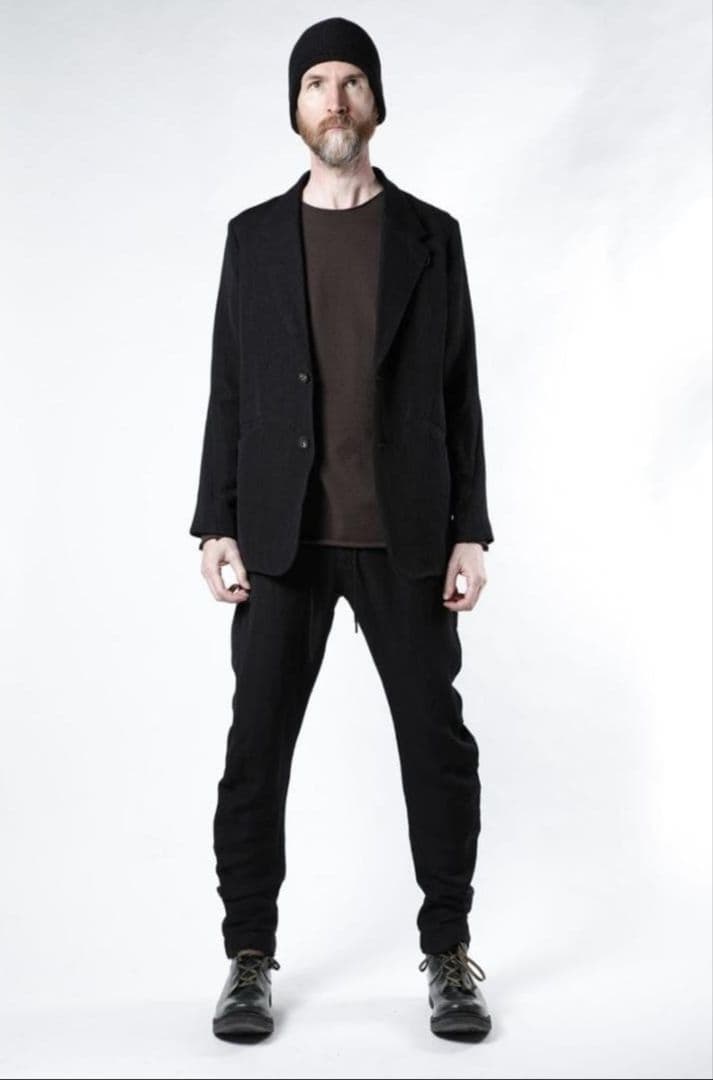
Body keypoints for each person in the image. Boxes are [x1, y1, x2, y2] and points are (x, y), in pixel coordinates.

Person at [189, 16, 495, 1041]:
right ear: (294, 108)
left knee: (436, 749)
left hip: (405, 533)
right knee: (255, 752)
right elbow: (230, 387)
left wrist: (470, 528)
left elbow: (458, 392)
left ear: (375, 101)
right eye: (315, 81)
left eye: (351, 79)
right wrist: (214, 521)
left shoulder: (430, 236)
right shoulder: (252, 239)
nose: (334, 97)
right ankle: (247, 956)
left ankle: (448, 952)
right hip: (283, 536)